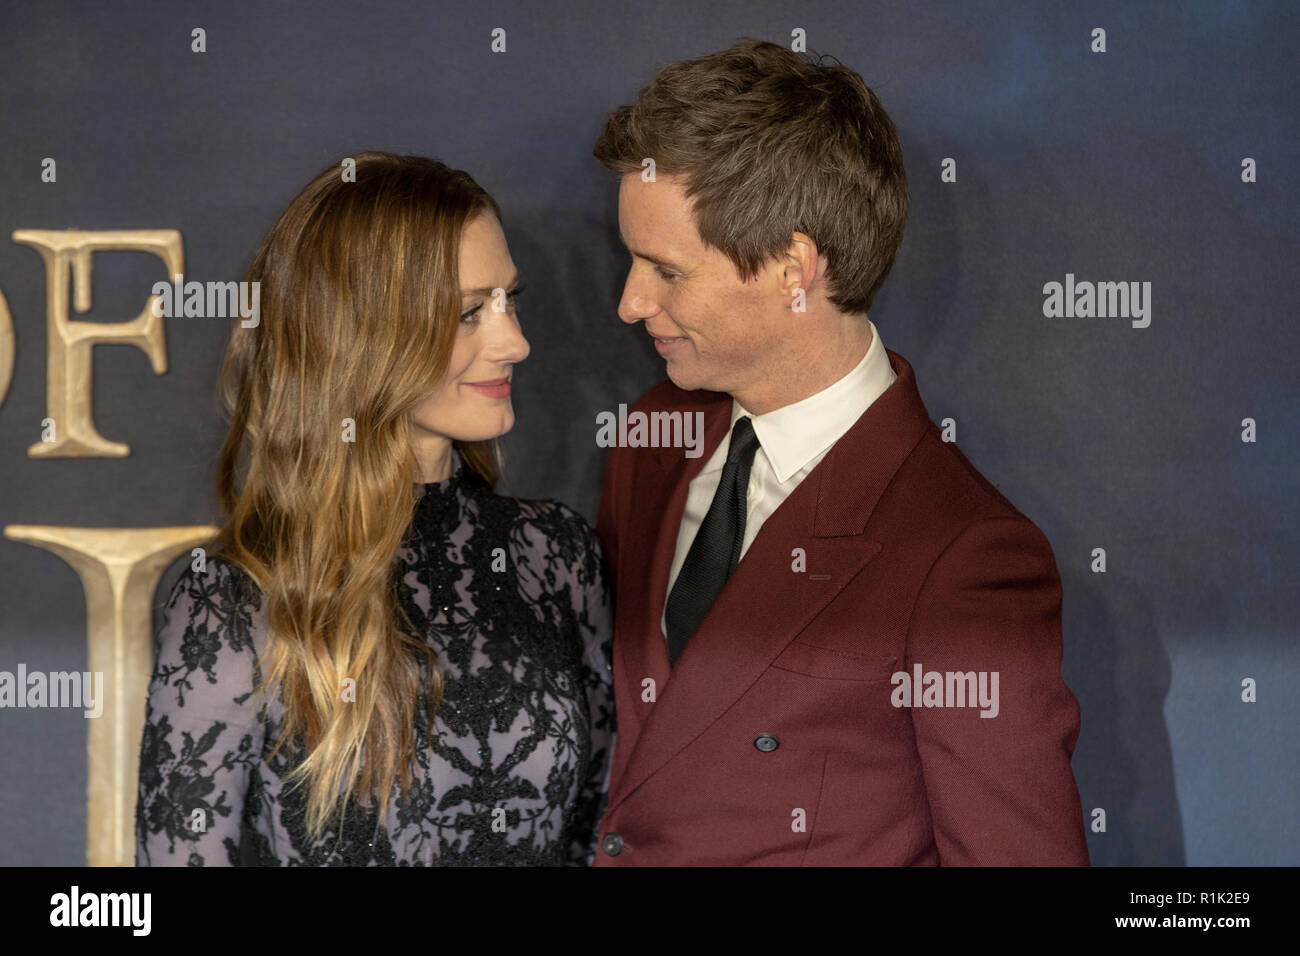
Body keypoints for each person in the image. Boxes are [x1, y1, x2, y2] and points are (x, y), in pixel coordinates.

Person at [590, 40, 1090, 865]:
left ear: (794, 269)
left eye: (665, 270)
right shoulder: (652, 441)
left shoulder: (966, 558)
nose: (630, 302)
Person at [135, 151, 614, 866]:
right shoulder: (234, 601)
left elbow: (599, 834)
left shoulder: (558, 557)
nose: (515, 342)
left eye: (510, 300)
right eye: (467, 314)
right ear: (361, 338)